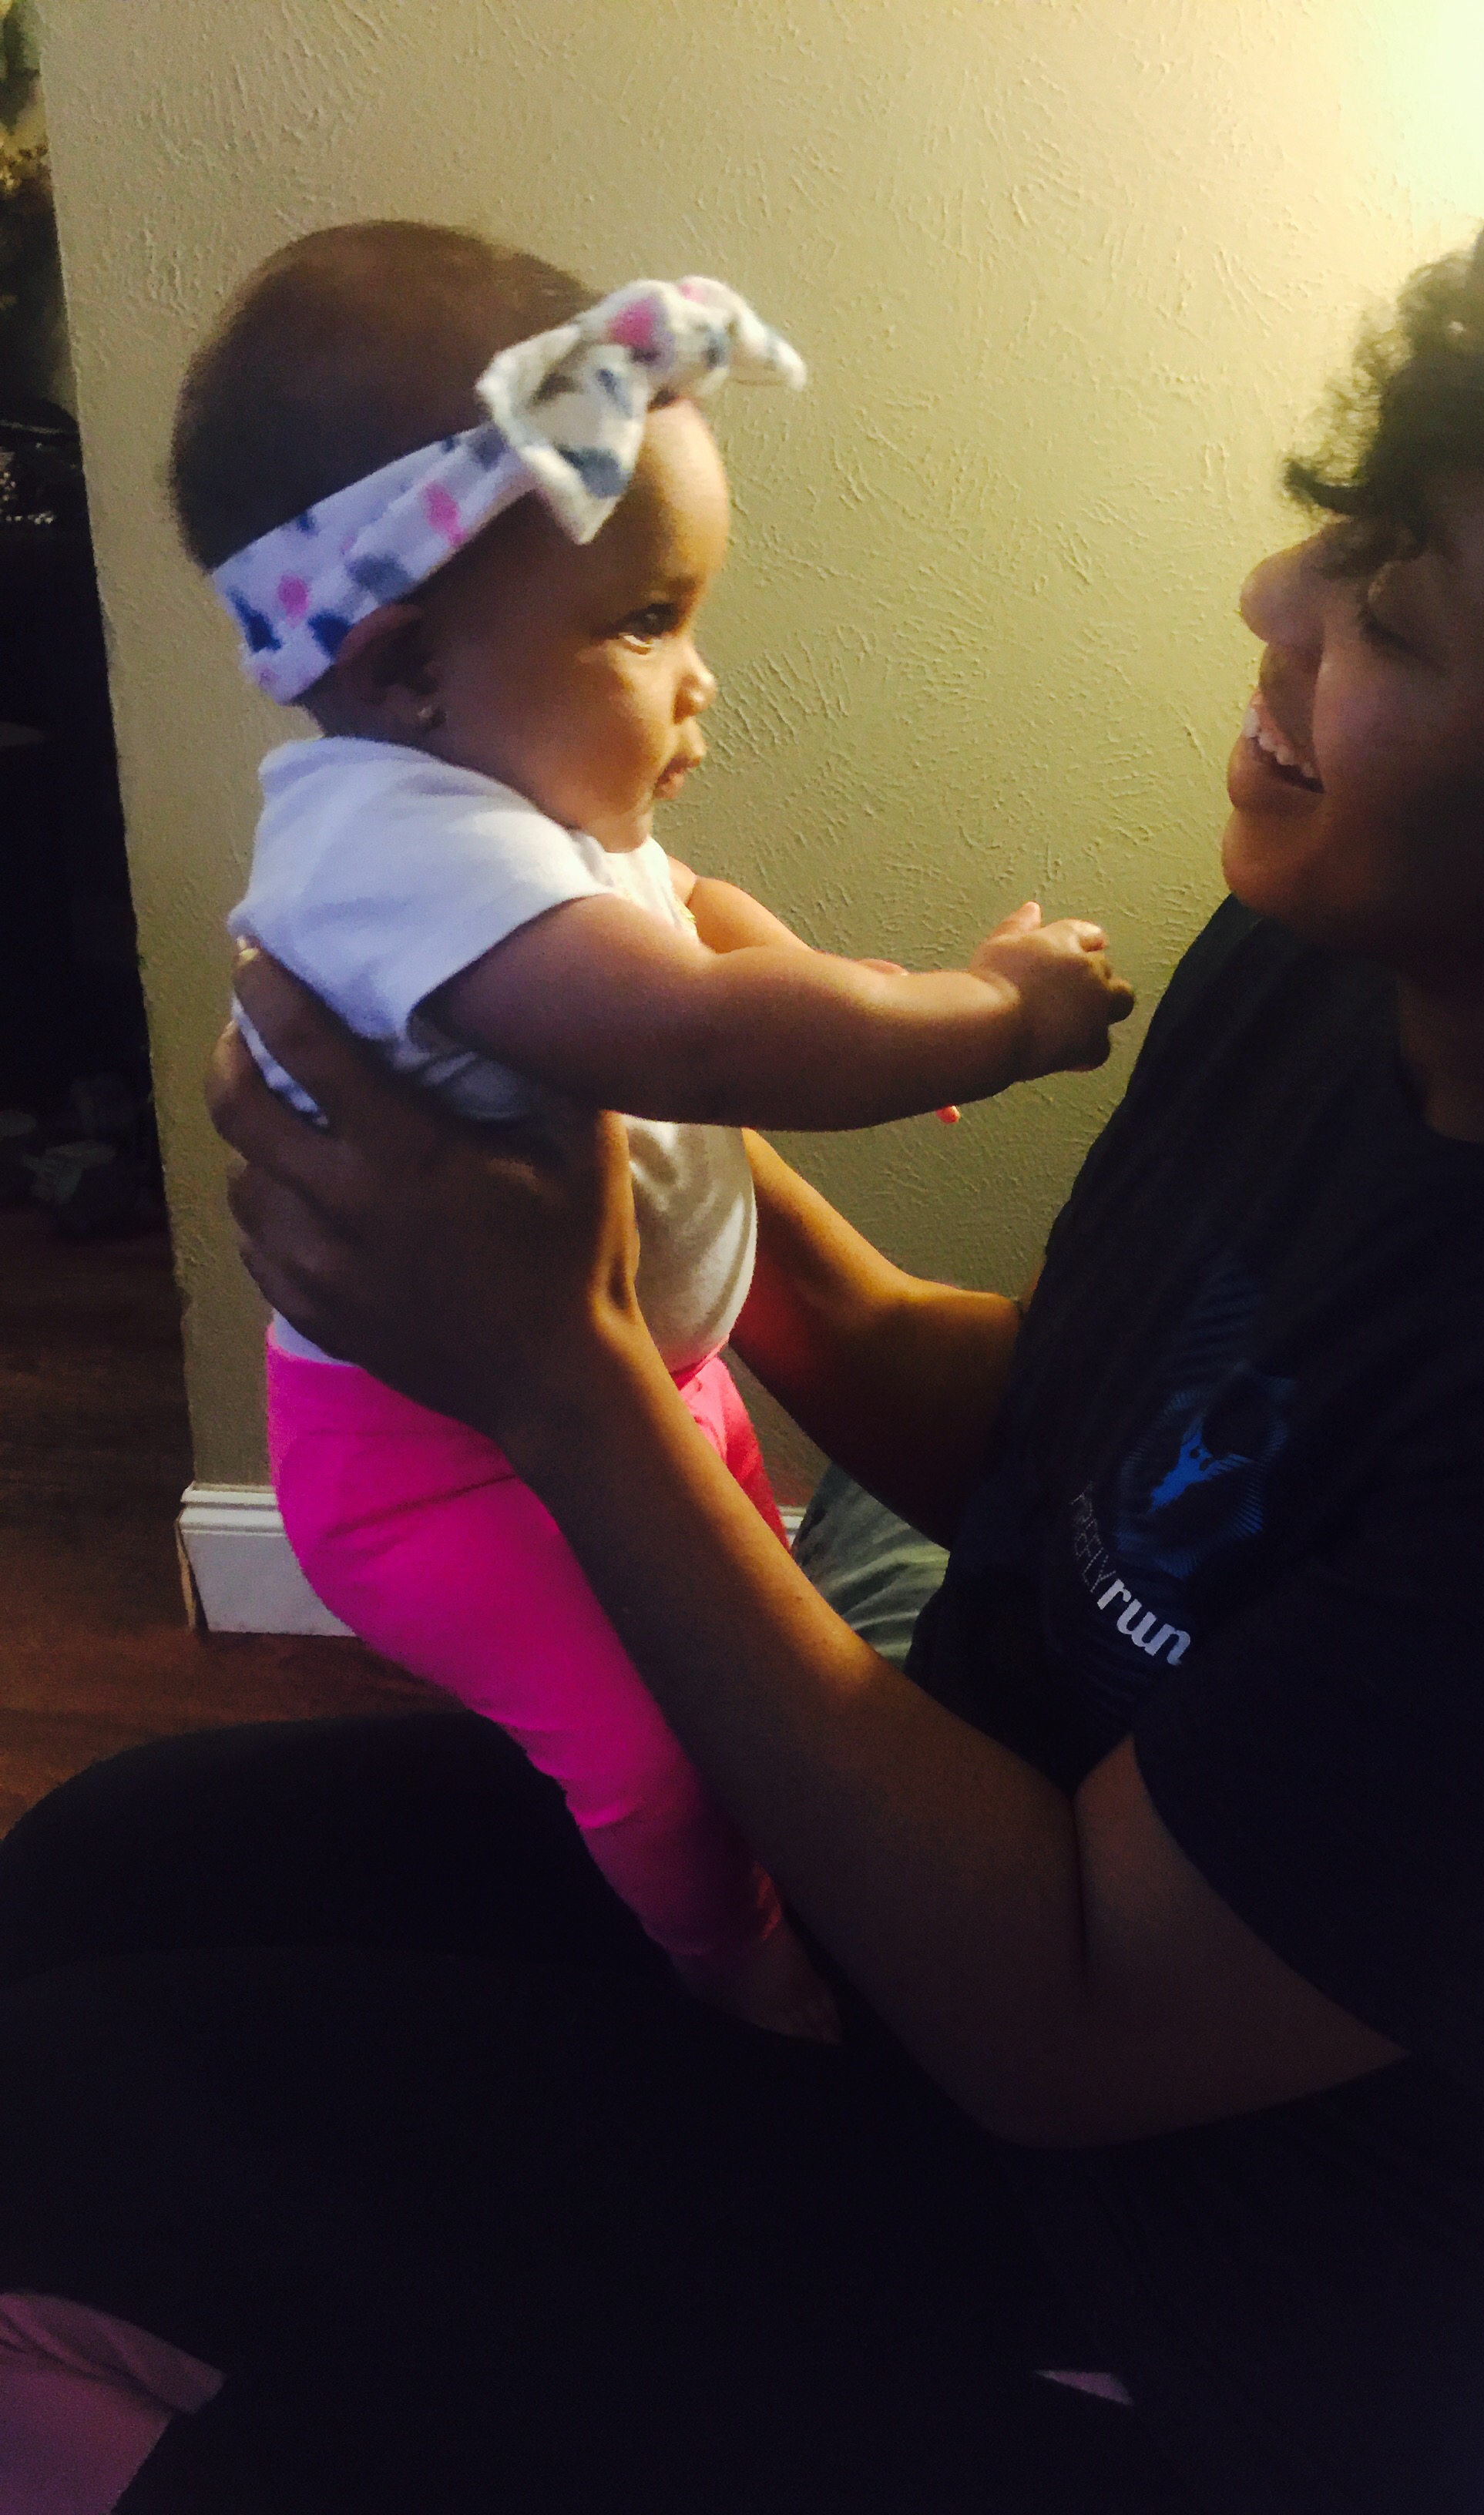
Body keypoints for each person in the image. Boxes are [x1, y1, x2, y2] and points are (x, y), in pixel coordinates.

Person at [5, 73, 1484, 2515]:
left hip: (1187, 2275)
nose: (1275, 602)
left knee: (78, 2143)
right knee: (103, 1869)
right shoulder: (1361, 959)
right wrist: (623, 1160)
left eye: (1395, 611)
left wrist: (561, 1376)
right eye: (1344, 521)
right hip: (958, 1856)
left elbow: (1071, 2021)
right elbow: (1077, 1445)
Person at [168, 224, 1133, 2039]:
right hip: (436, 1461)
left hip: (644, 1367)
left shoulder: (518, 802)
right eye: (644, 622)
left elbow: (704, 933)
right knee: (659, 1758)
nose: (699, 680)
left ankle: (775, 1866)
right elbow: (692, 1031)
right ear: (402, 668)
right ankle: (735, 1969)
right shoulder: (388, 849)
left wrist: (852, 1000)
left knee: (741, 1668)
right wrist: (991, 1019)